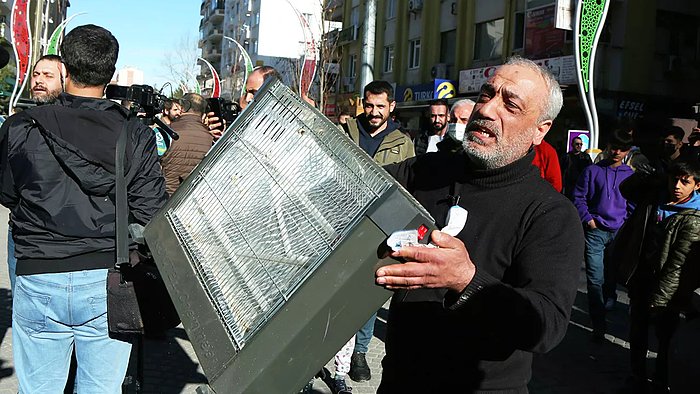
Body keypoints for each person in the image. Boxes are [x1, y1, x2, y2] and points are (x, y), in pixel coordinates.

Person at [374, 56, 583, 393]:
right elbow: (357, 189)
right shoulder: (427, 172)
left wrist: (467, 281)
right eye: (486, 95)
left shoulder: (550, 214)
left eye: (510, 104)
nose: (486, 110)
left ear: (539, 130)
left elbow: (548, 325)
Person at [0, 24, 167, 392]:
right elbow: (152, 210)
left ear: (65, 69)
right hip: (104, 279)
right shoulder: (134, 133)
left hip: (37, 272)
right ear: (110, 72)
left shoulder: (22, 126)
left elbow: (8, 193)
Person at [342, 80, 414, 384]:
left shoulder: (402, 142)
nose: (373, 112)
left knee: (368, 292)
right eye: (369, 106)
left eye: (380, 107)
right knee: (337, 290)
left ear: (391, 107)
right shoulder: (347, 131)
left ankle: (360, 352)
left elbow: (408, 189)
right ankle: (329, 352)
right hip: (342, 222)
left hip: (379, 228)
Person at [618, 161, 700, 393]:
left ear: (697, 186)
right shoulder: (657, 197)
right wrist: (652, 175)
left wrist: (661, 298)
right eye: (674, 179)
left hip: (669, 289)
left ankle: (661, 380)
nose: (677, 186)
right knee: (637, 330)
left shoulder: (694, 217)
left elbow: (678, 265)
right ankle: (637, 375)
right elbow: (627, 189)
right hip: (642, 277)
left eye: (685, 182)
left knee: (665, 337)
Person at [573, 129, 635, 341]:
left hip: (618, 233)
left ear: (628, 151)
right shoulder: (592, 171)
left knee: (612, 274)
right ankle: (598, 323)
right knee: (594, 278)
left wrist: (626, 224)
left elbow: (633, 205)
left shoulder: (630, 175)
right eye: (614, 147)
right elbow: (579, 196)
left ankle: (610, 298)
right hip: (596, 231)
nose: (616, 152)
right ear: (608, 147)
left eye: (622, 148)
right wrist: (588, 219)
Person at [160, 92, 213, 196]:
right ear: (203, 113)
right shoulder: (211, 137)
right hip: (196, 199)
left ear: (182, 108)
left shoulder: (167, 131)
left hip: (167, 199)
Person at [561, 136, 593, 200]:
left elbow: (590, 170)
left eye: (581, 144)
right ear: (572, 144)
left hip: (581, 184)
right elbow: (562, 170)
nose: (579, 146)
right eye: (577, 144)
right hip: (569, 185)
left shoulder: (585, 157)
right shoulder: (566, 157)